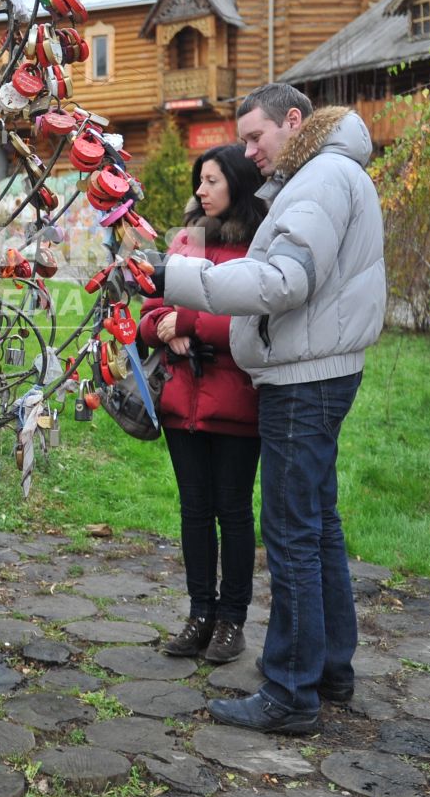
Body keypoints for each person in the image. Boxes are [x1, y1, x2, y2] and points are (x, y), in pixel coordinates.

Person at [145, 83, 384, 735]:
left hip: (303, 380)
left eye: (256, 137)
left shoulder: (320, 179)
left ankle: (289, 691)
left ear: (296, 121)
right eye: (243, 139)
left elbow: (285, 281)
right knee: (317, 523)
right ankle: (329, 670)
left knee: (291, 532)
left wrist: (175, 277)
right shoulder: (326, 173)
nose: (249, 152)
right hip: (314, 370)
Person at [138, 144, 267, 667]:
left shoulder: (260, 244)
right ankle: (199, 614)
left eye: (211, 180)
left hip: (235, 400)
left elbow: (253, 317)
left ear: (236, 183)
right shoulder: (185, 241)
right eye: (199, 180)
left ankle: (232, 619)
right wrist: (162, 330)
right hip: (181, 401)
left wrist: (186, 323)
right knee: (194, 510)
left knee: (233, 511)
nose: (200, 190)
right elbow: (149, 310)